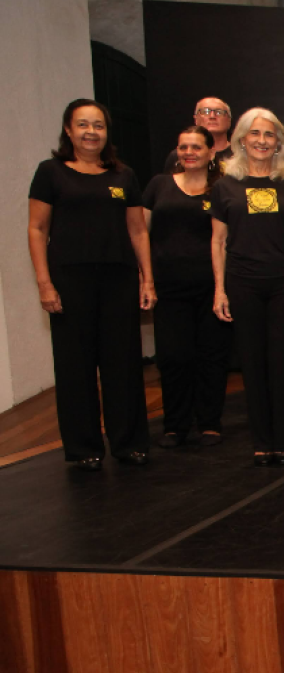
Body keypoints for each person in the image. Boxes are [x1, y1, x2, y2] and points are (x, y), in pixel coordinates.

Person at [27, 98, 155, 470]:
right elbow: (37, 229)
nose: (91, 132)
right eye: (83, 125)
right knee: (75, 366)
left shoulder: (123, 176)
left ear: (106, 132)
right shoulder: (50, 172)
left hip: (118, 278)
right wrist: (44, 283)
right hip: (70, 279)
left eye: (98, 125)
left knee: (124, 363)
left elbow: (137, 231)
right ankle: (84, 449)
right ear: (68, 130)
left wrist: (147, 279)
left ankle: (129, 443)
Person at [210, 107, 284, 466]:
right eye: (254, 134)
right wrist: (219, 289)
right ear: (241, 139)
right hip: (242, 283)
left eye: (269, 135)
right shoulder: (225, 186)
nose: (261, 140)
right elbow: (218, 242)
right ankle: (261, 440)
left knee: (283, 363)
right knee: (252, 364)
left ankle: (282, 439)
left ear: (279, 143)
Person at [144, 126, 231, 449]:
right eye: (183, 147)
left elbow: (226, 238)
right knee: (174, 356)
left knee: (212, 355)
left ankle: (209, 423)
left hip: (213, 286)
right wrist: (146, 279)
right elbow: (140, 234)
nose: (189, 152)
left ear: (211, 153)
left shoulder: (221, 189)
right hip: (169, 287)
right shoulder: (159, 185)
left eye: (197, 147)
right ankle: (175, 424)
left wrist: (224, 286)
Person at [162, 97, 233, 173]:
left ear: (229, 120)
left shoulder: (240, 154)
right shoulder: (181, 156)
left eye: (219, 112)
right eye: (205, 111)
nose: (212, 116)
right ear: (196, 119)